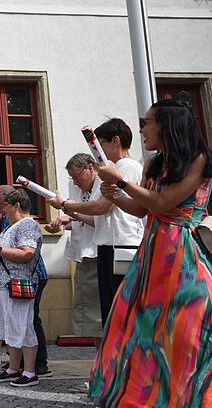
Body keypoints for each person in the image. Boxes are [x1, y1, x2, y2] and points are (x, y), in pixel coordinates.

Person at [89, 100, 212, 406]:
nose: (141, 129)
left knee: (184, 328)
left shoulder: (198, 159)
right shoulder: (155, 163)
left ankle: (186, 395)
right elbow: (143, 209)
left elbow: (163, 203)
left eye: (147, 122)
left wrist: (120, 180)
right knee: (135, 324)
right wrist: (115, 196)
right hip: (151, 253)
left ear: (168, 125)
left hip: (183, 254)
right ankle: (147, 395)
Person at [49, 118, 144, 327]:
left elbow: (102, 206)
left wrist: (65, 204)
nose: (98, 152)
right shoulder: (114, 169)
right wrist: (70, 210)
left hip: (122, 246)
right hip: (109, 246)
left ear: (116, 141)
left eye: (101, 145)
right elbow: (98, 216)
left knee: (121, 313)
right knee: (110, 313)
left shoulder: (125, 166)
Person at [0, 189, 43, 388]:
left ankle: (30, 372)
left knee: (23, 326)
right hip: (4, 285)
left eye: (6, 206)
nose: (3, 210)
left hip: (16, 284)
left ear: (17, 205)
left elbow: (27, 253)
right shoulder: (13, 226)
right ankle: (13, 369)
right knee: (11, 327)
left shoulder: (27, 225)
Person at [45, 154, 102, 339]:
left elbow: (99, 221)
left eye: (77, 176)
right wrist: (64, 223)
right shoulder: (76, 187)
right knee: (87, 312)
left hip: (97, 252)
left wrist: (69, 210)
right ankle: (98, 354)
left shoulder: (103, 185)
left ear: (91, 168)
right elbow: (80, 221)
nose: (75, 182)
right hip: (82, 253)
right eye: (72, 178)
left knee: (97, 314)